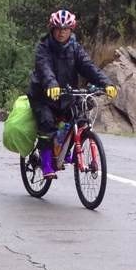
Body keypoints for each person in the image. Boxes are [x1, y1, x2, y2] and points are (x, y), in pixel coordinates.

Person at [27, 9, 117, 177]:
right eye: (58, 28)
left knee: (79, 118)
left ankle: (68, 150)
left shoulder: (75, 48)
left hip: (66, 94)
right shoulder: (43, 47)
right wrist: (51, 84)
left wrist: (106, 83)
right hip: (43, 95)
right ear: (52, 29)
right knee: (47, 124)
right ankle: (46, 165)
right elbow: (44, 68)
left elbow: (88, 67)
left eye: (66, 29)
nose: (62, 32)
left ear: (71, 30)